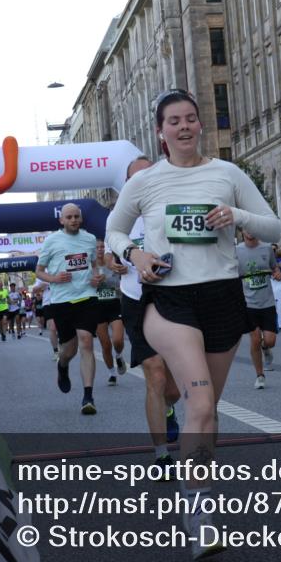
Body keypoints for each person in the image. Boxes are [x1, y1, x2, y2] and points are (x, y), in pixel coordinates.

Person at [105, 88, 281, 560]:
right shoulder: (144, 183)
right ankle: (198, 513)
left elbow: (274, 228)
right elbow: (115, 230)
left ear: (200, 124)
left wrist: (236, 215)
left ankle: (194, 481)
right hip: (169, 300)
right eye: (173, 121)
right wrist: (135, 253)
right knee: (200, 400)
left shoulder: (227, 174)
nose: (183, 127)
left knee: (206, 413)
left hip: (223, 297)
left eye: (190, 119)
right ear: (160, 132)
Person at [107, 155, 182, 476]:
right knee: (155, 373)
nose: (144, 182)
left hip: (175, 297)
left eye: (149, 174)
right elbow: (110, 256)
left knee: (175, 387)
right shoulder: (119, 217)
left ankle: (168, 408)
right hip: (136, 299)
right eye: (136, 178)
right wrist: (114, 264)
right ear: (127, 185)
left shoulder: (173, 208)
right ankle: (162, 454)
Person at [36, 203, 103, 415]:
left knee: (86, 341)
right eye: (69, 217)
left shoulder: (90, 239)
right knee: (69, 350)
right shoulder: (51, 241)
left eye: (76, 216)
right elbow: (38, 271)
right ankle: (63, 366)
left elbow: (94, 265)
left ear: (81, 219)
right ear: (61, 220)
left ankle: (88, 396)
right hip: (62, 300)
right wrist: (54, 278)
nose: (73, 220)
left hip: (87, 296)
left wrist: (97, 277)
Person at [237, 229, 280, 389]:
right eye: (247, 229)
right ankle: (260, 375)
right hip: (248, 303)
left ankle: (266, 348)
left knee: (270, 341)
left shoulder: (267, 248)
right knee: (254, 339)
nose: (251, 232)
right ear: (242, 231)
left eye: (254, 229)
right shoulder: (237, 251)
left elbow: (274, 268)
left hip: (267, 302)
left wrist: (277, 273)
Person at [95, 239, 127, 386]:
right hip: (97, 308)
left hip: (114, 304)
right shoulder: (90, 267)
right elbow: (82, 286)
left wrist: (106, 280)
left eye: (102, 247)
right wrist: (93, 282)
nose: (100, 249)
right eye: (97, 247)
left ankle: (119, 356)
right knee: (106, 345)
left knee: (118, 340)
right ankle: (112, 374)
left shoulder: (111, 263)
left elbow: (120, 284)